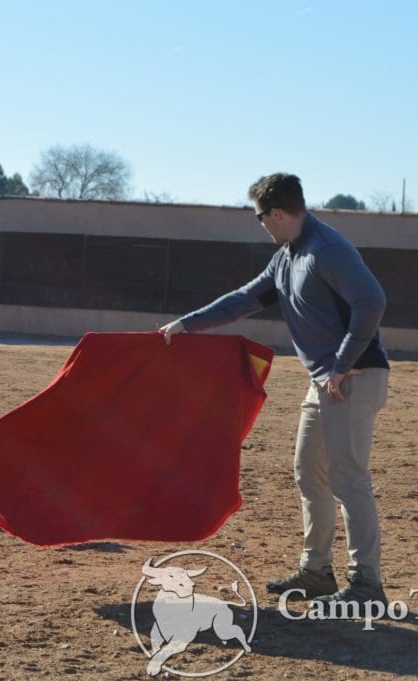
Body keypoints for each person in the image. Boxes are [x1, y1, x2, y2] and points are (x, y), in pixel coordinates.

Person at [159, 173, 390, 608]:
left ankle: (366, 583)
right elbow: (245, 298)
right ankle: (317, 570)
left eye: (261, 216)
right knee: (309, 473)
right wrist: (188, 323)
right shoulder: (288, 256)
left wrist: (341, 367)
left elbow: (372, 301)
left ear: (278, 213)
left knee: (348, 480)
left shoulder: (327, 249)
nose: (260, 223)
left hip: (353, 380)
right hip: (324, 381)